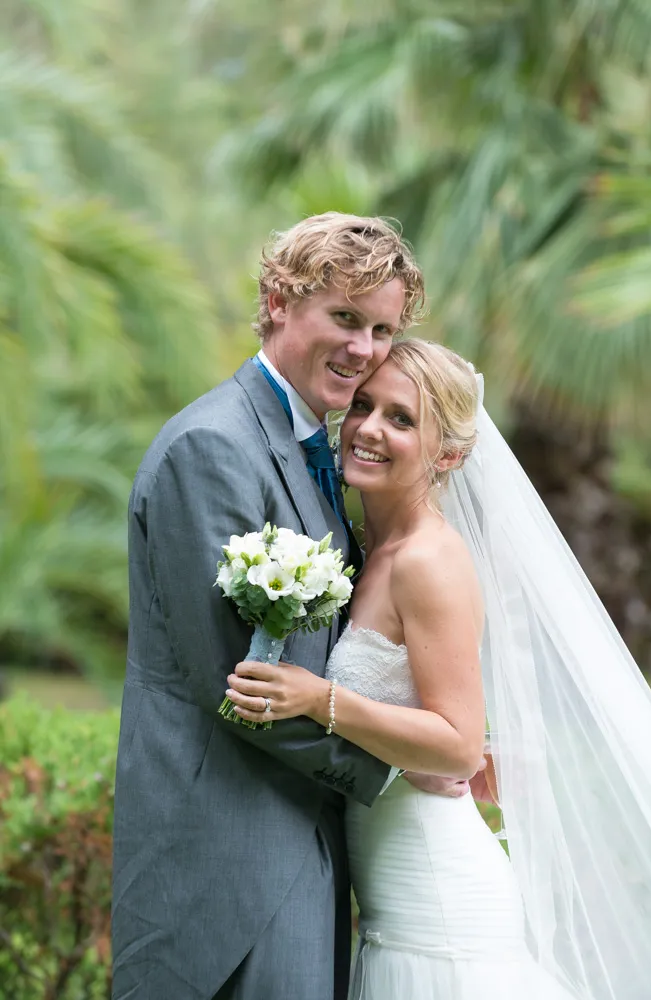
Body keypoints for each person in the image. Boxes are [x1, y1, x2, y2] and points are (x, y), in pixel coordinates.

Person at [226, 339, 651, 1000]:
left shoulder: (427, 560)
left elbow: (454, 745)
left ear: (450, 454)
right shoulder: (373, 548)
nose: (369, 429)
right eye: (365, 406)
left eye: (401, 419)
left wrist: (320, 700)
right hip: (395, 909)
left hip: (436, 915)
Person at [111, 212, 433, 1000]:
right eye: (345, 317)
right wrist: (402, 765)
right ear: (279, 300)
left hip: (300, 848)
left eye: (382, 328)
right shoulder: (214, 448)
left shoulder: (316, 450)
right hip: (224, 868)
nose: (363, 349)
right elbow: (244, 688)